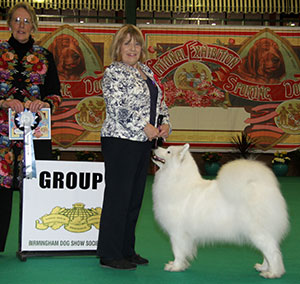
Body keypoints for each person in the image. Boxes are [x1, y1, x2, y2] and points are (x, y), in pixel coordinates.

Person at [97, 24, 171, 270]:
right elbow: (118, 107)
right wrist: (144, 126)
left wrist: (165, 124)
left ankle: (127, 250)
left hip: (142, 143)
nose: (132, 48)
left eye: (136, 43)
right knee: (118, 198)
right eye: (127, 43)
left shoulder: (147, 71)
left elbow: (160, 103)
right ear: (118, 47)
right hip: (120, 141)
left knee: (134, 199)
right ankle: (110, 253)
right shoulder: (114, 72)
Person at [0, 2, 62, 252]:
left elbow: (56, 95)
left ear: (34, 25)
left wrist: (43, 102)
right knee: (1, 190)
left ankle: (33, 242)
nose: (21, 25)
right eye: (16, 20)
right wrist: (3, 101)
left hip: (36, 134)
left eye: (26, 21)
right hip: (2, 136)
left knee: (34, 187)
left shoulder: (45, 55)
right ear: (9, 24)